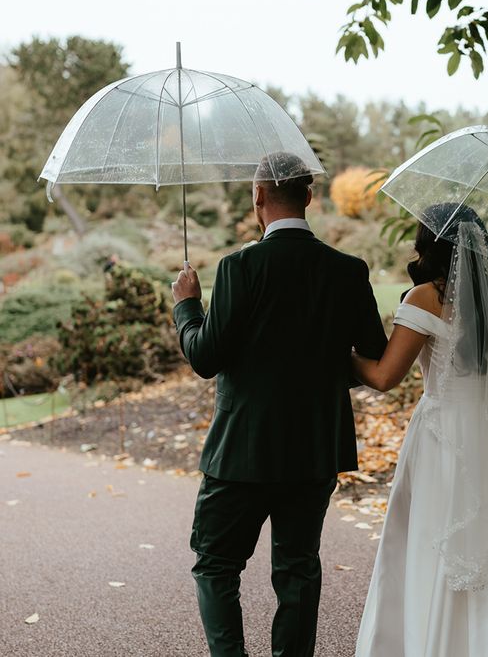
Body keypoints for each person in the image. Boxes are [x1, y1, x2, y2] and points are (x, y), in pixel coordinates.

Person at [171, 151, 388, 657]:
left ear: (259, 196)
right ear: (309, 197)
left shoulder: (239, 268)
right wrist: (319, 367)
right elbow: (373, 355)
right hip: (314, 448)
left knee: (216, 563)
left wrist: (186, 306)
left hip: (240, 453)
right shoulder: (347, 270)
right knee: (297, 569)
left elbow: (205, 356)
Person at [353, 203, 488, 657]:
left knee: (438, 537)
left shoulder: (423, 300)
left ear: (431, 245)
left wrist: (339, 352)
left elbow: (381, 377)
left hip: (444, 433)